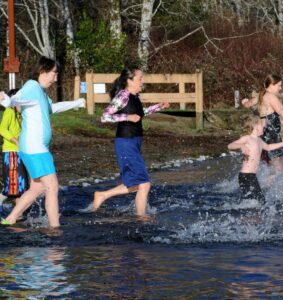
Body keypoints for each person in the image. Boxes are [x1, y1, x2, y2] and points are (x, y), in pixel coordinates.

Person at [0, 56, 86, 228]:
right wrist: (7, 101)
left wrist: (76, 103)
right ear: (42, 71)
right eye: (54, 73)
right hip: (35, 149)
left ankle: (10, 218)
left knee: (37, 187)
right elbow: (16, 99)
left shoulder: (41, 91)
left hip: (34, 148)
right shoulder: (32, 86)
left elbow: (51, 108)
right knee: (52, 187)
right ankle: (55, 230)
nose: (56, 78)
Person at [92, 66, 169, 217]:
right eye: (140, 78)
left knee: (136, 183)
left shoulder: (135, 96)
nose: (142, 81)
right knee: (144, 183)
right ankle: (142, 218)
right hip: (125, 142)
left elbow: (141, 113)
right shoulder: (123, 96)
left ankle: (102, 195)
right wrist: (127, 118)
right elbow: (105, 116)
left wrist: (158, 107)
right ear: (130, 80)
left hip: (134, 142)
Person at [241, 74, 283, 173]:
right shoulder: (271, 97)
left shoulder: (261, 95)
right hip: (271, 135)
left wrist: (244, 101)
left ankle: (267, 183)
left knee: (274, 163)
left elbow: (249, 105)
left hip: (265, 134)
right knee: (278, 167)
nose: (281, 88)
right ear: (271, 85)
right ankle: (272, 186)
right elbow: (282, 111)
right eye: (279, 85)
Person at [227, 115, 283, 202]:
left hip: (252, 176)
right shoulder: (247, 138)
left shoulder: (259, 140)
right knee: (259, 201)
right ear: (255, 126)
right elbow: (230, 145)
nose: (264, 126)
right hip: (246, 176)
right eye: (261, 124)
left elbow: (269, 147)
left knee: (255, 201)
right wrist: (241, 146)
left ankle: (248, 214)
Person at [0, 89, 29, 202]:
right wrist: (15, 140)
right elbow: (2, 129)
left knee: (21, 186)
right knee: (12, 187)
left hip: (20, 151)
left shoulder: (22, 113)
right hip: (11, 151)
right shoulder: (9, 111)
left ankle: (19, 213)